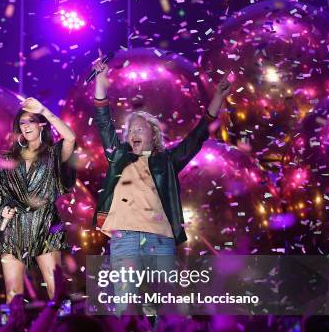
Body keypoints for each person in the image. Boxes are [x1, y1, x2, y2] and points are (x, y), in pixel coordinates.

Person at [92, 49, 232, 256]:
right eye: (130, 131)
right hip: (125, 238)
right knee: (126, 290)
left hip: (160, 239)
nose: (133, 133)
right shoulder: (119, 155)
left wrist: (219, 97)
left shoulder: (168, 161)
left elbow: (198, 136)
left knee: (161, 290)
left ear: (153, 134)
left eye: (139, 129)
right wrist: (101, 79)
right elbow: (103, 120)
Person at [0, 97, 76, 302]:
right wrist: (2, 210)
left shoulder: (53, 154)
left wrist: (44, 110)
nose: (26, 126)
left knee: (56, 289)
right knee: (12, 295)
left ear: (41, 124)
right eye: (22, 122)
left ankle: (62, 331)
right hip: (14, 228)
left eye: (31, 121)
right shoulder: (9, 159)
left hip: (45, 224)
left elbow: (70, 138)